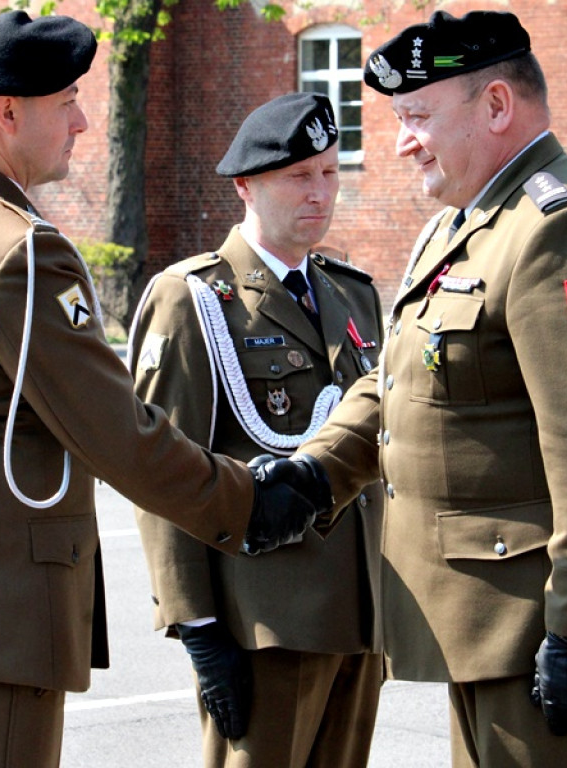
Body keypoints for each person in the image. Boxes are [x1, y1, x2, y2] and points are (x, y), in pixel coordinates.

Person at [0, 12, 331, 768]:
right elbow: (117, 432)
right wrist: (250, 505)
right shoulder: (20, 251)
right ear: (9, 112)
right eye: (66, 101)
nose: (84, 121)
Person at [297, 10, 567, 768]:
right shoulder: (463, 226)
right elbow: (401, 376)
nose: (402, 141)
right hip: (494, 627)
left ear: (497, 106)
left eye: (417, 118)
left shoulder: (559, 231)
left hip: (548, 626)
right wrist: (317, 469)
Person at [130, 92, 384, 768]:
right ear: (246, 185)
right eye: (299, 176)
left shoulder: (350, 292)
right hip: (263, 618)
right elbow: (162, 472)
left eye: (330, 173)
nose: (319, 193)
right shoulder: (195, 299)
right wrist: (199, 626)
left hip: (358, 613)